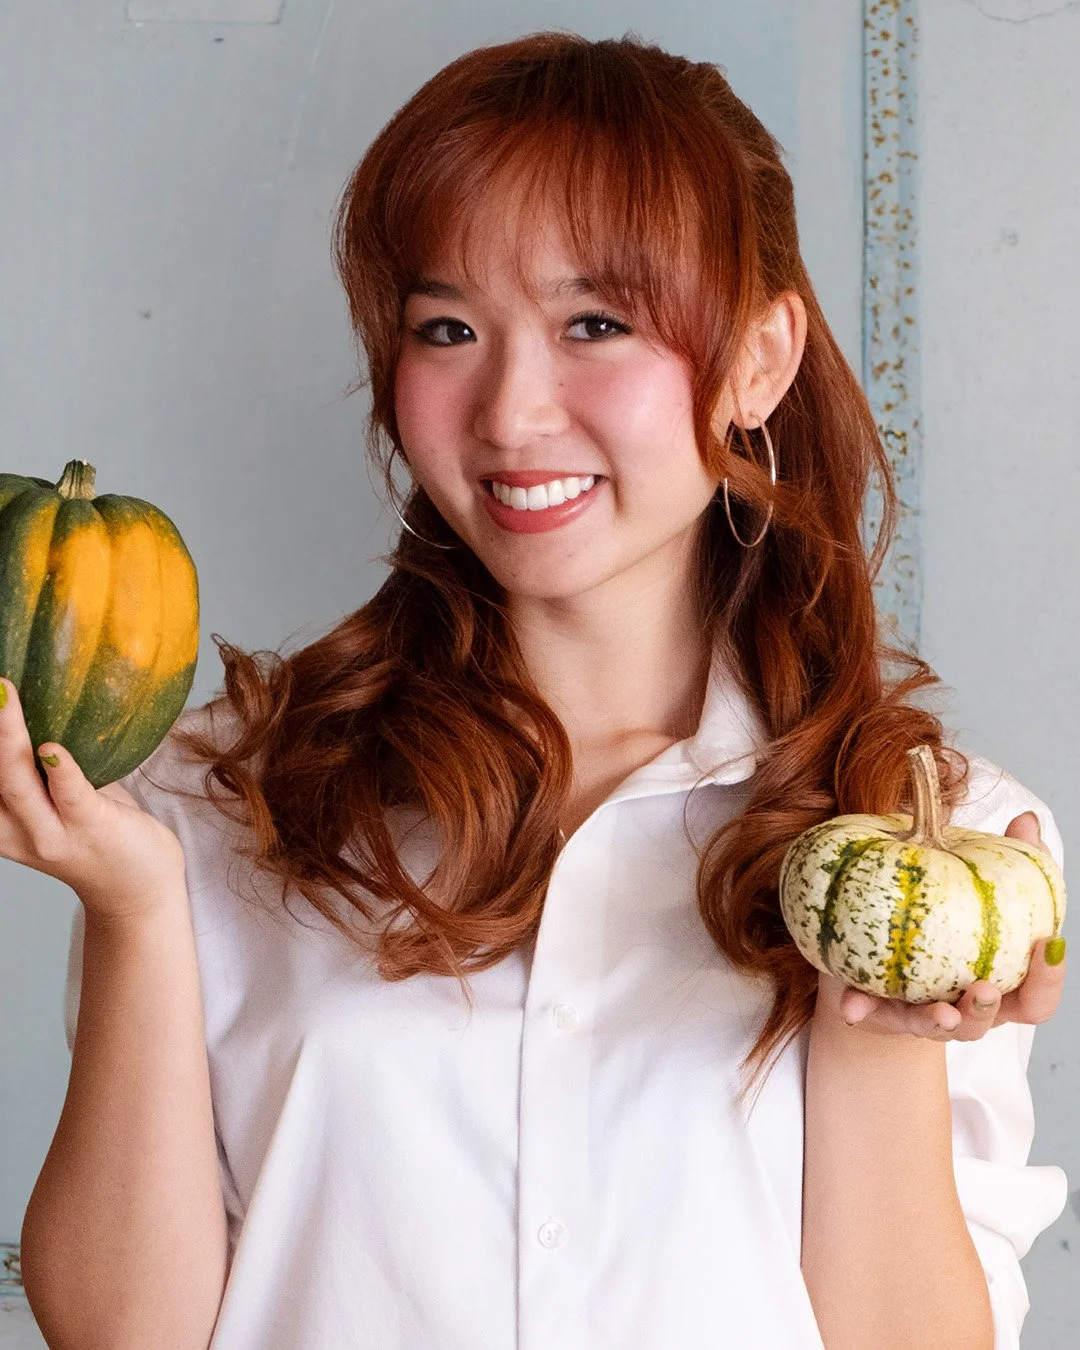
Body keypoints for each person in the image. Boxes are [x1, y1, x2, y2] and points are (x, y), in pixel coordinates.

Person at [15, 30, 1067, 1350]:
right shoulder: (218, 801)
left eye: (595, 324)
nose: (510, 410)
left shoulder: (936, 846)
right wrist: (130, 901)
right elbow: (125, 1335)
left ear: (758, 358)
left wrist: (876, 1030)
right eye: (448, 327)